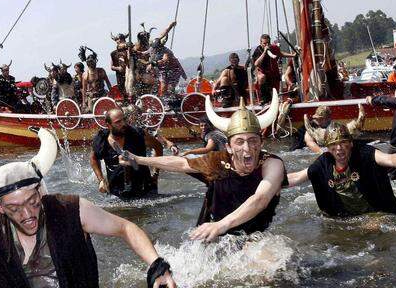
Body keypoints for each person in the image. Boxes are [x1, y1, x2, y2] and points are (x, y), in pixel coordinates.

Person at [0, 128, 176, 288]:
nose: (27, 214)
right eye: (14, 207)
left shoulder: (71, 209)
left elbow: (126, 227)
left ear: (40, 191)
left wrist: (157, 265)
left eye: (32, 202)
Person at [119, 90, 286, 241]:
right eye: (240, 141)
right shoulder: (217, 161)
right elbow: (180, 163)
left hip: (255, 237)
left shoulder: (272, 163)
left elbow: (261, 199)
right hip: (217, 235)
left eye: (253, 141)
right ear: (229, 147)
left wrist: (221, 224)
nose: (247, 148)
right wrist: (139, 159)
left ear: (262, 142)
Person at [285, 123, 396, 217]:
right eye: (334, 144)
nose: (339, 148)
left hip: (379, 215)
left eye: (343, 142)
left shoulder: (365, 153)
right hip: (348, 220)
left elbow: (390, 159)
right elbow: (296, 177)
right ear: (328, 148)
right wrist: (270, 182)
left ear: (351, 143)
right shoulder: (324, 163)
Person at [90, 109, 164, 199]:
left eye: (124, 119)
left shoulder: (138, 134)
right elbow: (94, 158)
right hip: (116, 192)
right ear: (109, 125)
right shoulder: (101, 139)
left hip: (144, 189)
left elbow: (158, 147)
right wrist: (101, 180)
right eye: (118, 122)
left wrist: (155, 173)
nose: (123, 124)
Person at [146, 21, 187, 97]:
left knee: (170, 89)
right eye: (154, 49)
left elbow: (165, 60)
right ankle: (162, 99)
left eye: (157, 49)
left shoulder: (166, 51)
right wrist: (171, 25)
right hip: (163, 71)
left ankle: (171, 99)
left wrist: (154, 63)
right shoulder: (153, 47)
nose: (155, 50)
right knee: (162, 88)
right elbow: (164, 32)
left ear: (160, 46)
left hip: (174, 70)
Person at [252, 34, 296, 104]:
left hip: (274, 74)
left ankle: (273, 102)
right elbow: (256, 64)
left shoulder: (274, 47)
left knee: (275, 94)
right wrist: (264, 52)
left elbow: (280, 54)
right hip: (264, 74)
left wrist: (292, 55)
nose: (266, 45)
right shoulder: (258, 50)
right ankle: (264, 99)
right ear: (260, 43)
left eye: (268, 43)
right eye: (264, 43)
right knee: (261, 77)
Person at [79, 46, 111, 112]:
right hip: (91, 97)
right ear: (87, 63)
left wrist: (111, 93)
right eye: (90, 62)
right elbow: (84, 90)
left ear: (95, 61)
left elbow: (108, 83)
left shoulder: (101, 71)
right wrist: (84, 102)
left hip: (102, 95)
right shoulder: (85, 75)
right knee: (93, 111)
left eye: (93, 62)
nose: (92, 64)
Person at [110, 33, 130, 97]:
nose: (119, 41)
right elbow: (112, 67)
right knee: (123, 90)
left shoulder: (129, 50)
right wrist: (118, 68)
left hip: (129, 74)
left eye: (121, 39)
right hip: (120, 76)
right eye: (117, 40)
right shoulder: (113, 53)